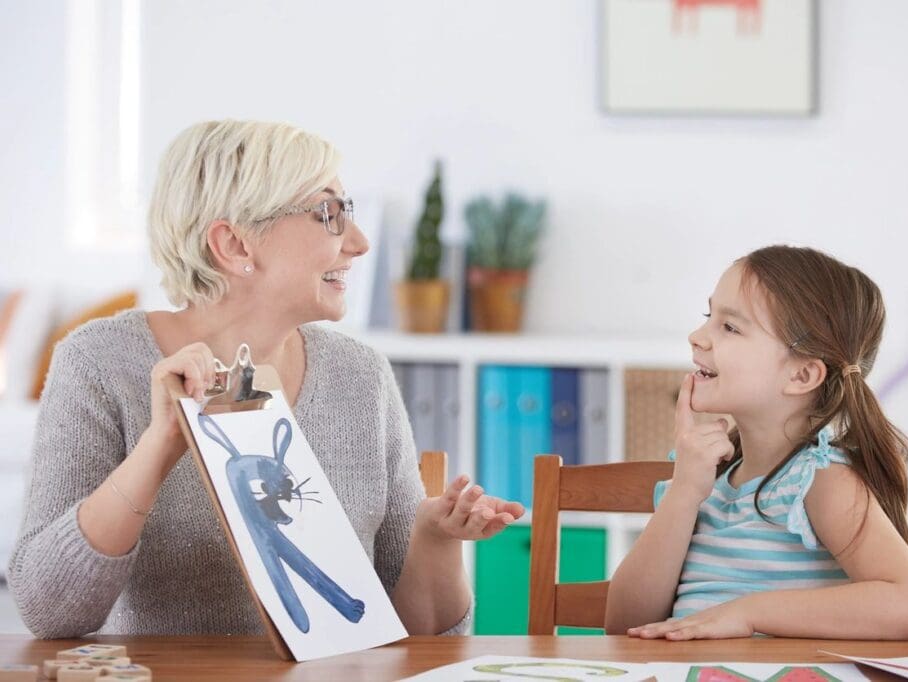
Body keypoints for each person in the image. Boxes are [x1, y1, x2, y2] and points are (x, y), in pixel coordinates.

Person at [8, 119, 524, 638]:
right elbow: (49, 613)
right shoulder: (98, 361)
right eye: (329, 214)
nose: (361, 243)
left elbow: (414, 639)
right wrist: (160, 446)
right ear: (234, 245)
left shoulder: (361, 377)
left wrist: (435, 540)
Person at [605, 245, 908, 640]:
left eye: (729, 327)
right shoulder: (702, 477)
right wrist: (683, 494)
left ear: (801, 376)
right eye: (709, 317)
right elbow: (623, 627)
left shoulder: (819, 481)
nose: (697, 337)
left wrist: (748, 614)